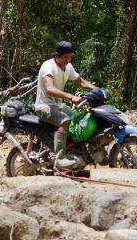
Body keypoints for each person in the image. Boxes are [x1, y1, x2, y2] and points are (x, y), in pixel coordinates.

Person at [35, 41, 96, 169]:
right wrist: (71, 96)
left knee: (78, 119)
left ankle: (72, 150)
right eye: (65, 57)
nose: (68, 60)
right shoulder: (48, 67)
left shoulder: (67, 67)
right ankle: (60, 158)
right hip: (44, 106)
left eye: (70, 57)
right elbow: (49, 89)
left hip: (58, 105)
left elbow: (80, 82)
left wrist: (96, 89)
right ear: (56, 55)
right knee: (65, 121)